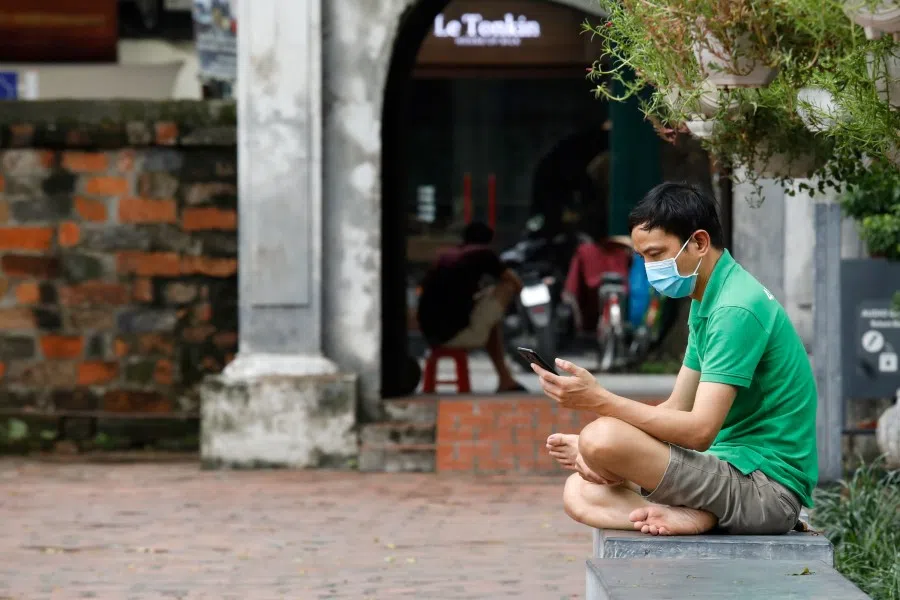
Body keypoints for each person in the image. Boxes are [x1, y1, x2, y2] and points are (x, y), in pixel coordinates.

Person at [532, 182, 817, 536]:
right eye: (643, 258)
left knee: (601, 437)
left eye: (656, 254)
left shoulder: (735, 308)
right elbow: (677, 408)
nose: (650, 268)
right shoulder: (708, 299)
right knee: (579, 492)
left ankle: (703, 514)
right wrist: (607, 456)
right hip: (727, 467)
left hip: (767, 490)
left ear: (698, 242)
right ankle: (695, 515)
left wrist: (600, 405)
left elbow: (698, 431)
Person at [417, 222, 526, 393]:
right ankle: (505, 379)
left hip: (431, 334)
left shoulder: (448, 255)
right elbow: (516, 283)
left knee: (489, 313)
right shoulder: (482, 253)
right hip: (452, 334)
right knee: (506, 289)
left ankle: (505, 379)